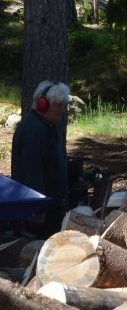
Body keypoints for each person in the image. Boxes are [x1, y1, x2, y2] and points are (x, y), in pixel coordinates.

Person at [11, 81, 71, 235]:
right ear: (42, 104)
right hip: (40, 214)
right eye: (58, 105)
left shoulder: (46, 126)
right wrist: (38, 210)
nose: (62, 110)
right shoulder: (35, 131)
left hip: (49, 208)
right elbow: (33, 171)